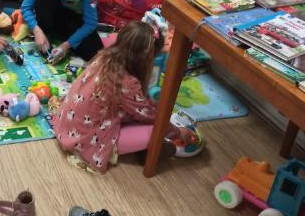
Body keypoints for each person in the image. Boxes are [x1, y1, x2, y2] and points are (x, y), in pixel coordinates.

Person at [53, 21, 200, 173]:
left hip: (67, 124)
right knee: (157, 131)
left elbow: (140, 104)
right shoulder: (126, 81)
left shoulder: (104, 56)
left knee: (152, 112)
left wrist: (153, 106)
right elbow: (149, 116)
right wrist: (178, 132)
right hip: (85, 138)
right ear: (144, 58)